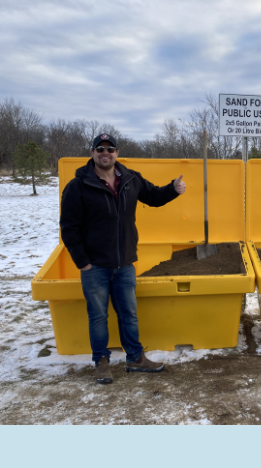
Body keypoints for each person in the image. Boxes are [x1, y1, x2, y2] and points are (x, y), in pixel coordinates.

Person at [59, 133, 186, 384]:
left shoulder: (130, 179)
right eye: (100, 149)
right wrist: (83, 262)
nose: (105, 153)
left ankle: (135, 358)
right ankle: (102, 362)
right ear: (93, 153)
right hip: (94, 266)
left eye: (110, 149)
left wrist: (173, 189)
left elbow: (154, 197)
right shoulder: (78, 186)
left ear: (117, 152)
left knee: (129, 314)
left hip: (125, 264)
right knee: (98, 316)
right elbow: (69, 228)